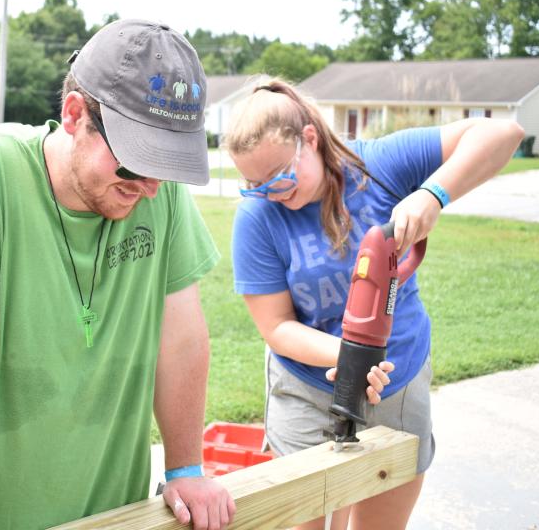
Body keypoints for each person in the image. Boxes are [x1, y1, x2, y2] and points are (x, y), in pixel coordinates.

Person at [0, 19, 236, 530]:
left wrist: (186, 468)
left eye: (165, 166)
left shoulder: (159, 193)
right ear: (75, 114)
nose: (149, 186)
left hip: (101, 516)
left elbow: (182, 341)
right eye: (134, 161)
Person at [224, 79, 523, 530]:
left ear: (310, 139)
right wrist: (350, 358)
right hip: (308, 387)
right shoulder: (256, 218)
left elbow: (504, 134)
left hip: (398, 380)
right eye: (254, 185)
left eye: (280, 178)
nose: (271, 194)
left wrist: (432, 194)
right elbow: (278, 327)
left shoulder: (378, 163)